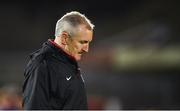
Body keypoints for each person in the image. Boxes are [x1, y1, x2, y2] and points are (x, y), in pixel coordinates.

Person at [22, 11, 94, 110]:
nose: (86, 49)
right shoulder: (43, 65)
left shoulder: (68, 63)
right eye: (82, 42)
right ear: (64, 38)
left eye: (88, 42)